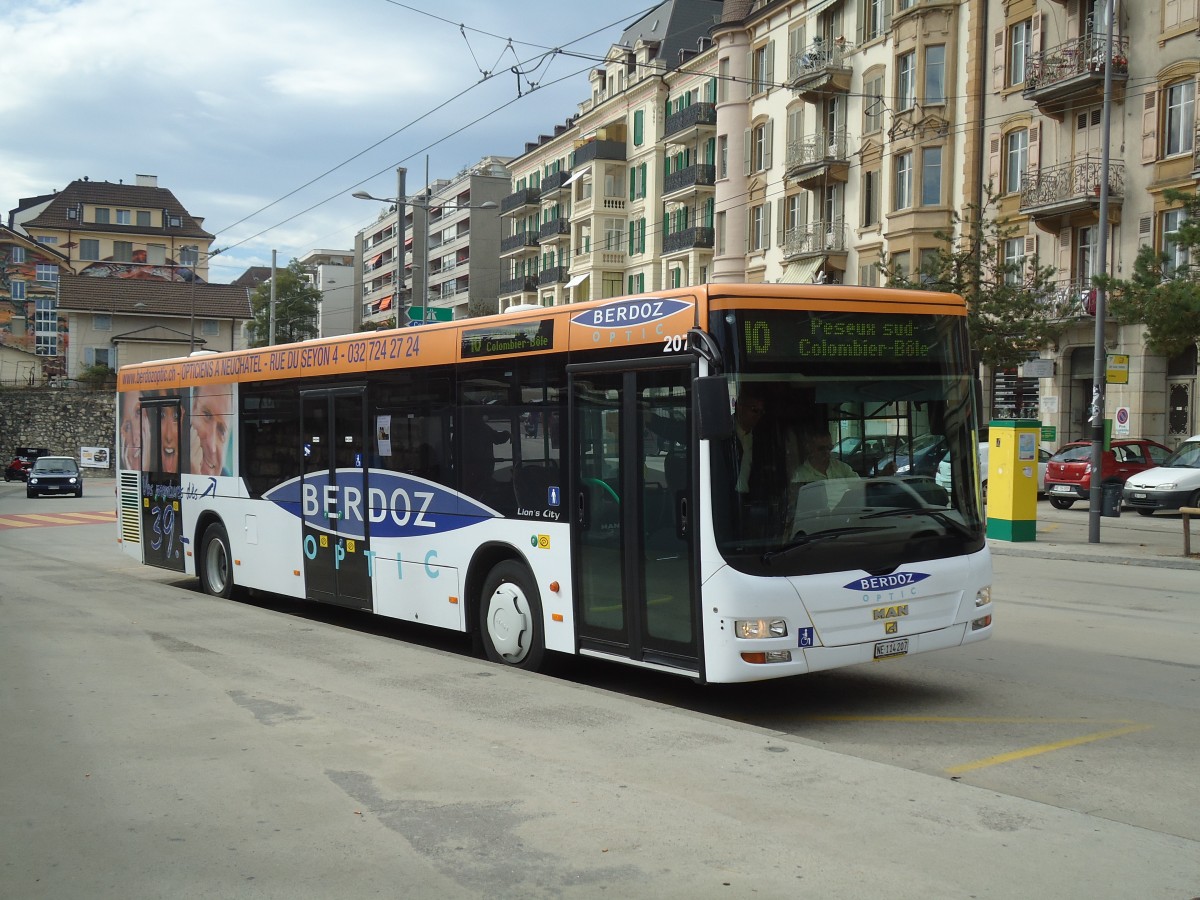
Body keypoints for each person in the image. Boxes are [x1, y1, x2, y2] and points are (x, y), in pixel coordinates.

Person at [190, 383, 233, 476]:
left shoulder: (227, 480)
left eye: (222, 430)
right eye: (207, 415)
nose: (212, 446)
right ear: (193, 407)